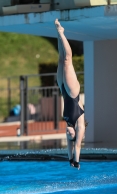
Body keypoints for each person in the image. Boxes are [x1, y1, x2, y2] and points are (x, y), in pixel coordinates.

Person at [55, 19, 87, 170]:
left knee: (61, 60)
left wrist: (69, 160)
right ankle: (62, 32)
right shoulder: (79, 125)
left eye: (67, 134)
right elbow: (77, 144)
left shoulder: (68, 126)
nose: (67, 133)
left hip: (62, 89)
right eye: (70, 134)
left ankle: (57, 33)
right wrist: (76, 161)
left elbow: (69, 144)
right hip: (72, 92)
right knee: (68, 60)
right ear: (75, 133)